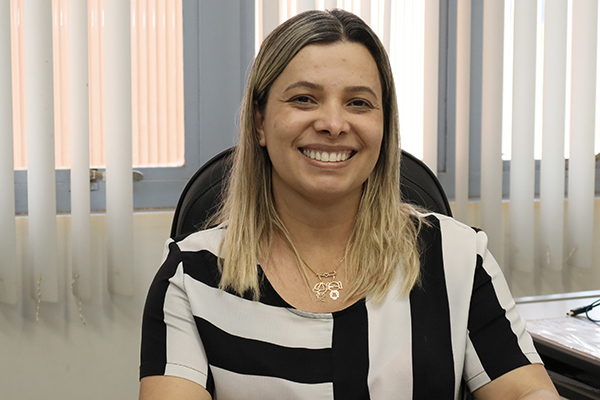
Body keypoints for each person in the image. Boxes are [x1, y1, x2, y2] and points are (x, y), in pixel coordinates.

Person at [139, 9, 559, 400]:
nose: (334, 124)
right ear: (260, 122)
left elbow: (526, 391)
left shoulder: (459, 258)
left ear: (384, 125)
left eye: (358, 103)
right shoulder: (189, 277)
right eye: (304, 99)